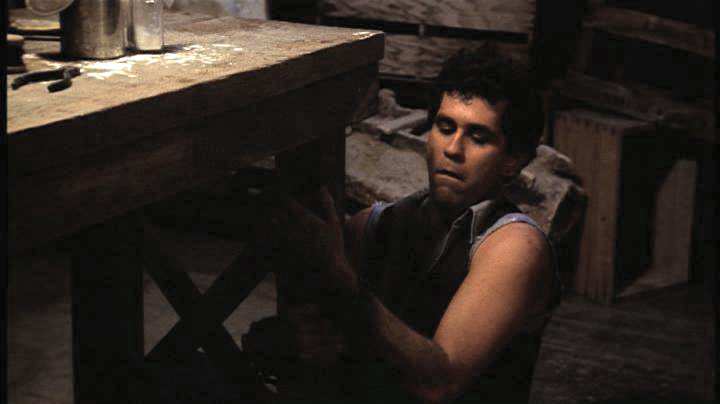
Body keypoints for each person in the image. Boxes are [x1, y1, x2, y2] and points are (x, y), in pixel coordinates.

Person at [247, 46, 562, 404]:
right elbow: (302, 340)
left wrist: (340, 278)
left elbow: (438, 383)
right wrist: (291, 339)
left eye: (478, 137)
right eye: (445, 127)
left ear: (512, 160)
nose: (453, 149)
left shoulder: (516, 246)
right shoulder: (375, 225)